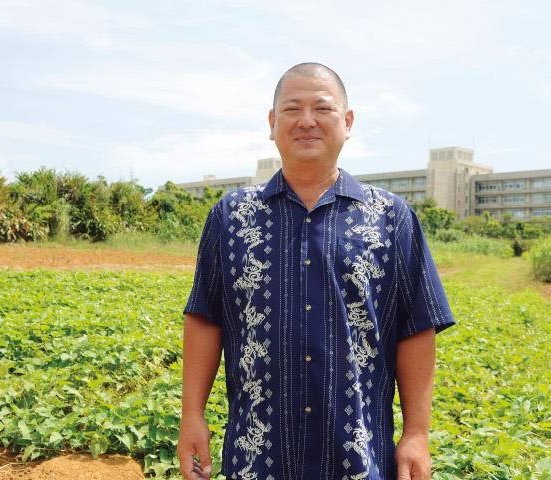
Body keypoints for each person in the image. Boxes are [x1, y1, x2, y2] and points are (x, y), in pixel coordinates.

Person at [178, 62, 455, 480]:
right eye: (292, 109)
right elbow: (205, 316)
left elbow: (416, 326)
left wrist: (416, 432)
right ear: (273, 124)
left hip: (359, 457)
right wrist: (191, 415)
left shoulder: (390, 217)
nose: (306, 121)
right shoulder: (231, 216)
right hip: (258, 457)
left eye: (322, 109)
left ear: (347, 122)